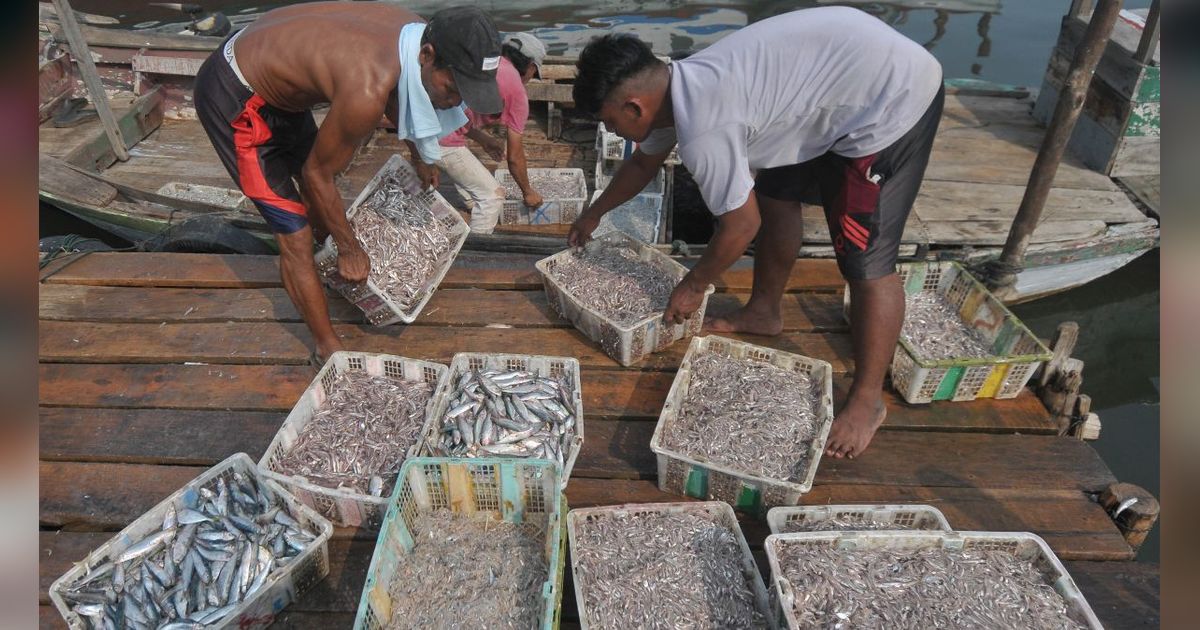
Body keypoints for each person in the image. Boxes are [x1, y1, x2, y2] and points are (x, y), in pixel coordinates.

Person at [568, 7, 944, 460]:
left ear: (634, 106)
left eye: (610, 123)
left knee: (864, 259)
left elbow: (740, 226)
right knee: (773, 192)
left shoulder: (705, 127)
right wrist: (595, 212)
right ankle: (764, 312)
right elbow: (644, 163)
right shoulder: (677, 86)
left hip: (890, 96)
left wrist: (693, 284)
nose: (612, 132)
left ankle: (868, 399)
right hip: (836, 79)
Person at [194, 3, 503, 362]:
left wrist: (420, 155)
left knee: (320, 199)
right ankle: (326, 346)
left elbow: (401, 92)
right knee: (294, 231)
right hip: (235, 96)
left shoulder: (421, 31)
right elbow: (316, 174)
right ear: (427, 55)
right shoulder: (366, 89)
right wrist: (350, 248)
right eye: (452, 88)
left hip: (277, 81)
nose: (456, 100)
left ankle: (328, 271)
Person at [435, 32, 549, 233]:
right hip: (440, 138)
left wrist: (483, 139)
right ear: (530, 66)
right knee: (492, 196)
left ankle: (472, 202)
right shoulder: (517, 91)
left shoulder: (486, 62)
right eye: (534, 73)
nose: (531, 78)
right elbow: (514, 157)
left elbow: (459, 112)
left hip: (426, 124)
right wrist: (528, 192)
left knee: (467, 163)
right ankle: (476, 252)